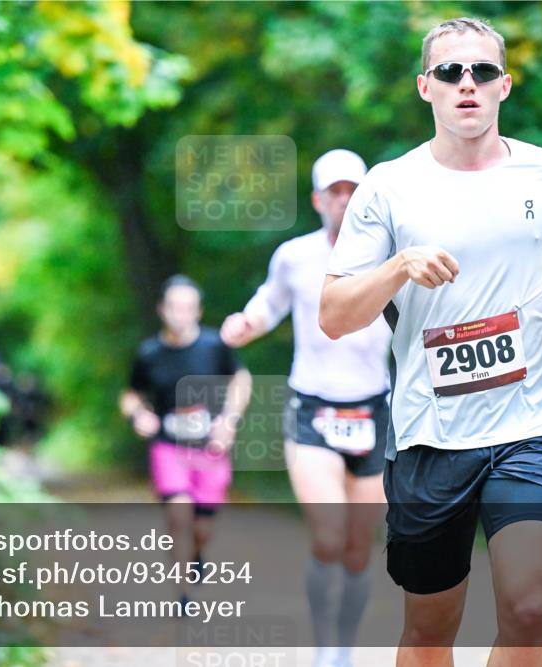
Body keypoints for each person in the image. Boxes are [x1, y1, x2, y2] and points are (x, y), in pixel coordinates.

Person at [319, 17, 542, 667]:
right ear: (426, 87)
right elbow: (334, 314)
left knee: (529, 608)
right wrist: (398, 267)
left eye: (482, 71)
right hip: (431, 437)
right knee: (429, 630)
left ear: (504, 85)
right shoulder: (388, 188)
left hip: (536, 426)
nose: (467, 84)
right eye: (451, 72)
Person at [221, 149, 392, 667]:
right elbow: (268, 303)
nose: (343, 201)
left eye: (352, 191)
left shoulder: (391, 256)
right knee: (329, 535)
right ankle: (327, 649)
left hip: (373, 411)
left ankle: (345, 637)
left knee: (360, 549)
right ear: (318, 200)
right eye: (333, 192)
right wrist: (246, 323)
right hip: (313, 409)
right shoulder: (295, 256)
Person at [121, 275, 252, 608]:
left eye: (189, 308)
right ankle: (182, 593)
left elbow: (241, 379)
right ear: (162, 310)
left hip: (209, 447)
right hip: (169, 445)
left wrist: (229, 420)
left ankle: (196, 554)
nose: (182, 314)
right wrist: (139, 415)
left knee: (202, 525)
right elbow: (130, 395)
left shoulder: (214, 346)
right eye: (175, 307)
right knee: (179, 513)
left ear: (198, 311)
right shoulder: (149, 353)